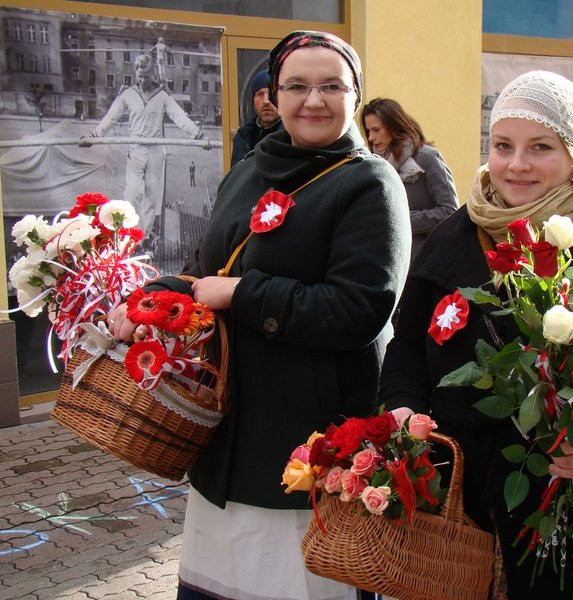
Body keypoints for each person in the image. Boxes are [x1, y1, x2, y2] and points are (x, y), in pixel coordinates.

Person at [107, 30, 411, 600]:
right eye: (296, 86)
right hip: (229, 434)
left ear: (356, 95)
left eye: (331, 86)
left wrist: (243, 295)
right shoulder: (248, 169)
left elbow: (357, 309)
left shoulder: (371, 184)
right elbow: (213, 271)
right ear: (274, 94)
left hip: (307, 442)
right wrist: (160, 295)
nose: (313, 100)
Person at [380, 71, 573, 599]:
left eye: (540, 147)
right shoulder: (456, 234)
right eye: (503, 145)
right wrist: (404, 408)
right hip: (460, 500)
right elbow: (407, 340)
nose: (516, 164)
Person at [87, 53, 209, 240]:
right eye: (139, 76)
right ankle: (131, 235)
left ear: (153, 74)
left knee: (151, 199)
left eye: (146, 76)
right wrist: (94, 136)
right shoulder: (128, 94)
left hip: (156, 151)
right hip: (136, 150)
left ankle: (143, 238)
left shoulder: (162, 96)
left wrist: (199, 136)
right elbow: (111, 117)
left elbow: (179, 117)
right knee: (132, 193)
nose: (142, 81)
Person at [361, 98, 458, 261]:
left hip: (422, 261)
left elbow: (449, 212)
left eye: (376, 130)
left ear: (394, 126)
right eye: (368, 130)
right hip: (383, 260)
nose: (370, 137)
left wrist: (398, 220)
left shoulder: (427, 157)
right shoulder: (372, 165)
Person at [230, 69, 283, 167]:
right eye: (260, 94)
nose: (266, 101)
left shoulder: (293, 139)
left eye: (272, 94)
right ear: (253, 101)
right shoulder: (242, 138)